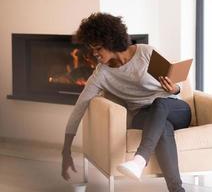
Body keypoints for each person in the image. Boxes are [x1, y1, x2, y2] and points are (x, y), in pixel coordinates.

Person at [61, 12, 191, 192]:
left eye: (98, 48)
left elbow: (177, 86)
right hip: (143, 116)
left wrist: (174, 89)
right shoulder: (102, 74)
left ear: (112, 41)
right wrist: (65, 150)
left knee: (160, 104)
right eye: (92, 49)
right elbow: (79, 108)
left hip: (175, 109)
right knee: (163, 128)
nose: (95, 54)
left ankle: (139, 160)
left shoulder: (146, 52)